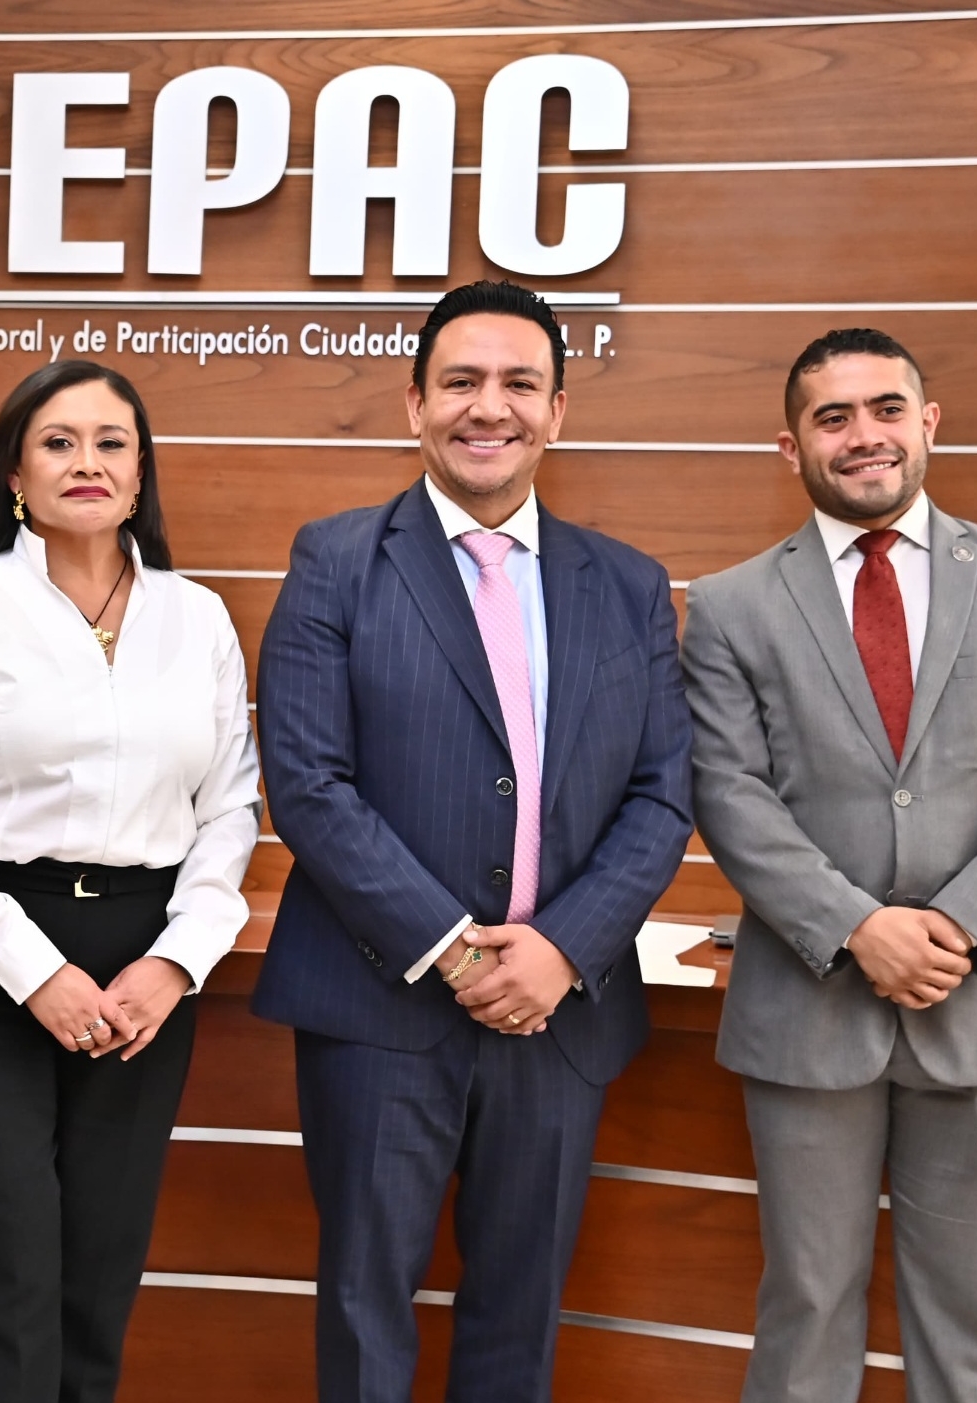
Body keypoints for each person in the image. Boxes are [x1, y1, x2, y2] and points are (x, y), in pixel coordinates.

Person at [253, 280, 694, 1403]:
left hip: (560, 1013)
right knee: (365, 1314)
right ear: (415, 404)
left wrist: (561, 949)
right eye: (460, 381)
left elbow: (661, 795)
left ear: (557, 411)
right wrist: (456, 951)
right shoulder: (336, 560)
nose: (487, 407)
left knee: (520, 1311)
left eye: (518, 384)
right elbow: (308, 784)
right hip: (380, 1007)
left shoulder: (629, 585)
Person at [682, 328, 977, 1403]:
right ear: (791, 447)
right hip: (808, 1010)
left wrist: (960, 926)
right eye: (832, 417)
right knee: (806, 1308)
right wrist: (855, 925)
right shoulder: (731, 604)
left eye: (885, 408)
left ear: (928, 423)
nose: (863, 435)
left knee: (968, 1321)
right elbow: (729, 791)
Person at [0, 359, 262, 1403]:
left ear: (140, 474)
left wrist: (177, 962)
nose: (86, 461)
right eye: (57, 441)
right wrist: (32, 970)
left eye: (110, 442)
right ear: (15, 472)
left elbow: (230, 810)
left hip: (144, 966)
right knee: (1, 1279)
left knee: (100, 1271)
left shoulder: (198, 617)